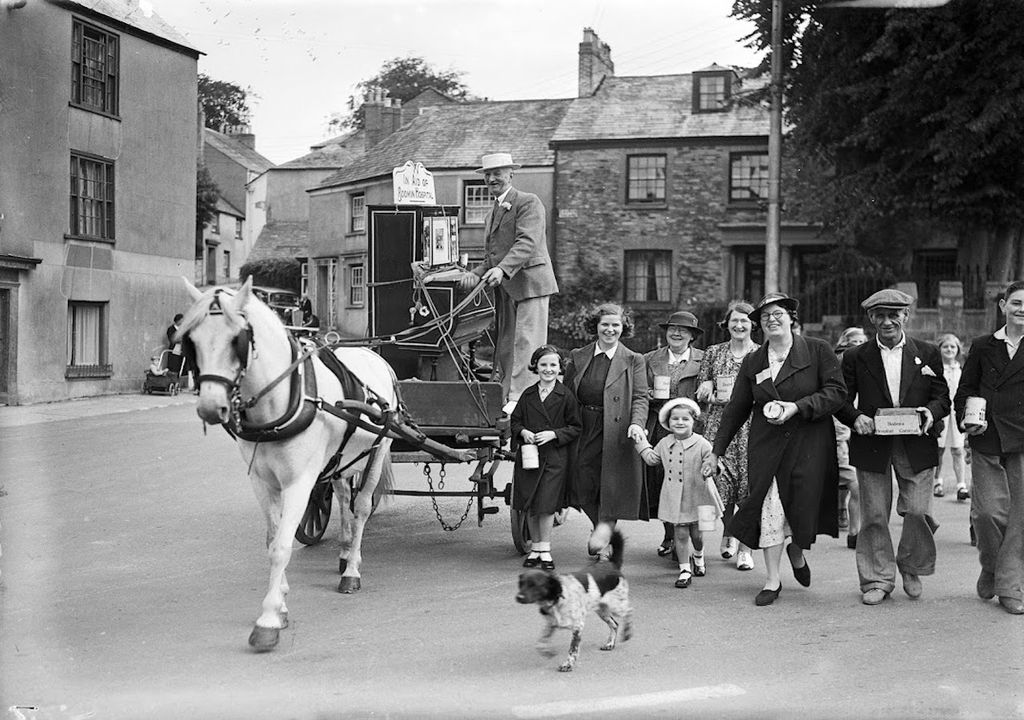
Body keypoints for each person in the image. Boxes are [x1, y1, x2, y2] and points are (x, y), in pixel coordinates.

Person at [706, 293, 845, 606]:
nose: (772, 319)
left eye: (778, 313)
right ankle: (772, 579)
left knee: (800, 506)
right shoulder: (755, 361)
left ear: (792, 318)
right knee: (769, 507)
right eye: (765, 316)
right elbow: (736, 408)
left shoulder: (817, 350)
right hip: (766, 445)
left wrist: (797, 407)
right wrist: (716, 451)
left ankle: (796, 550)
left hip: (808, 444)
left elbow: (836, 393)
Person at [836, 289, 950, 606]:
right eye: (880, 315)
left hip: (917, 442)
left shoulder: (926, 352)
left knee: (917, 510)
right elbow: (840, 399)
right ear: (871, 318)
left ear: (905, 316)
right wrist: (856, 417)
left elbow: (943, 398)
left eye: (894, 314)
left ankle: (911, 566)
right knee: (873, 515)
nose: (887, 321)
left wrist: (930, 412)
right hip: (873, 443)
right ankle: (877, 579)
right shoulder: (857, 356)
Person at [459, 153, 559, 405]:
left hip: (530, 285)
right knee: (507, 344)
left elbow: (527, 242)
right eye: (488, 174)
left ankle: (521, 399)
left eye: (498, 173)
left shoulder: (528, 202)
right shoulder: (492, 212)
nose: (492, 178)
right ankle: (507, 395)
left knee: (527, 343)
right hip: (506, 287)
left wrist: (502, 270)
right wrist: (475, 274)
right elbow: (491, 257)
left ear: (511, 174)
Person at [954, 280, 1024, 615]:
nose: (1022, 309)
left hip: (1022, 439)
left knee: (1020, 517)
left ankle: (1010, 586)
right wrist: (965, 421)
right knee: (986, 513)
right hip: (987, 436)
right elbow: (965, 389)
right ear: (1003, 306)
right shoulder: (984, 345)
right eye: (1016, 302)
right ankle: (992, 566)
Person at [564, 303, 649, 560]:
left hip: (617, 429)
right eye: (605, 325)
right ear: (596, 327)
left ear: (623, 328)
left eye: (616, 325)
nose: (610, 330)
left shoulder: (634, 359)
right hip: (583, 425)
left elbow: (641, 397)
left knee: (611, 486)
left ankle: (603, 537)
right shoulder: (579, 355)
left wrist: (637, 423)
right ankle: (602, 529)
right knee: (582, 481)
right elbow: (567, 393)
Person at [696, 300, 759, 571]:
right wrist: (706, 387)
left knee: (749, 486)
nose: (739, 325)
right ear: (727, 324)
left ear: (753, 325)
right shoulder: (713, 352)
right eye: (734, 320)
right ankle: (728, 531)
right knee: (721, 487)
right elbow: (702, 385)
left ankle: (745, 548)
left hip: (751, 427)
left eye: (745, 320)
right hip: (719, 426)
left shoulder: (761, 353)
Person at [511, 345, 582, 572]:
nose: (548, 369)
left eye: (553, 365)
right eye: (543, 365)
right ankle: (535, 549)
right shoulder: (528, 395)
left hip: (554, 459)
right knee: (531, 504)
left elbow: (575, 427)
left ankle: (546, 549)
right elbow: (515, 421)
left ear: (560, 368)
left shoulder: (565, 396)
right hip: (530, 458)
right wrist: (523, 432)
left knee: (547, 505)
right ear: (536, 366)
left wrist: (554, 434)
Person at [643, 311, 705, 559]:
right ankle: (670, 535)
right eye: (672, 329)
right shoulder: (649, 358)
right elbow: (638, 390)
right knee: (665, 484)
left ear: (692, 336)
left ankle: (697, 541)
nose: (677, 333)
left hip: (694, 431)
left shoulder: (704, 359)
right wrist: (646, 392)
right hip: (662, 429)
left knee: (696, 484)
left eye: (683, 330)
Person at [640, 398, 715, 588]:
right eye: (675, 419)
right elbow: (652, 459)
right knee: (680, 534)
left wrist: (711, 468)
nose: (680, 423)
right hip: (675, 497)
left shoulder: (702, 443)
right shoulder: (665, 443)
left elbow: (714, 461)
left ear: (693, 421)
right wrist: (640, 443)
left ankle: (698, 556)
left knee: (697, 535)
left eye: (685, 419)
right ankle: (684, 570)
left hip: (699, 495)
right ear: (668, 422)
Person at [833, 327, 868, 550]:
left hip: (863, 424)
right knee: (852, 481)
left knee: (850, 480)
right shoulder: (839, 360)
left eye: (861, 340)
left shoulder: (872, 359)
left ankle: (847, 518)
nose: (857, 344)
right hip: (840, 426)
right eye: (853, 340)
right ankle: (854, 532)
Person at [933, 333, 969, 501]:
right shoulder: (936, 368)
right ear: (940, 349)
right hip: (942, 412)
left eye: (952, 347)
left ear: (958, 350)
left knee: (958, 449)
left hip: (957, 412)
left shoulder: (961, 369)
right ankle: (937, 481)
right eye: (945, 346)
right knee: (938, 449)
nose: (949, 350)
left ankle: (961, 485)